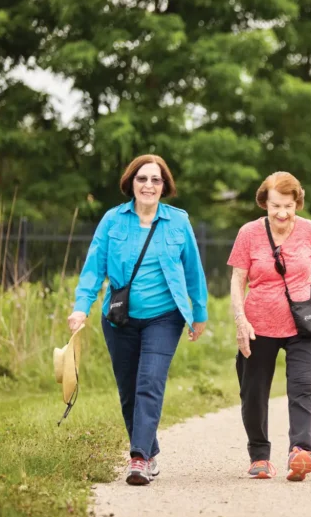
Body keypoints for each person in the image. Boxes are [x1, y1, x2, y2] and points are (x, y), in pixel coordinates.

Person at [69, 154, 208, 486]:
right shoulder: (113, 221)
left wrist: (199, 313)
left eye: (155, 180)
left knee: (150, 383)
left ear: (165, 186)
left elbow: (193, 271)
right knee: (129, 390)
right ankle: (150, 448)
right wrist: (81, 306)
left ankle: (139, 458)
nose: (148, 185)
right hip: (119, 318)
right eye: (142, 179)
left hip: (165, 317)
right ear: (131, 183)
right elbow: (93, 268)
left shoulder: (178, 222)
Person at [228, 172, 311, 482]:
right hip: (259, 324)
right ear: (264, 203)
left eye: (288, 205)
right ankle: (259, 456)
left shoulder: (310, 230)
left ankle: (300, 452)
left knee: (302, 387)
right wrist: (240, 321)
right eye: (275, 206)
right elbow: (237, 279)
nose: (282, 213)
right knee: (253, 392)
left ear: (297, 202)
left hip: (303, 325)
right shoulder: (248, 233)